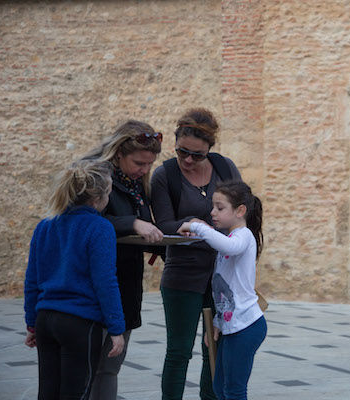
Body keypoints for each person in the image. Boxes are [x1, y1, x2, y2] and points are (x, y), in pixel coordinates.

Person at [150, 108, 241, 400]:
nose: (188, 160)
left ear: (210, 150)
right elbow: (163, 224)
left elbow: (243, 211)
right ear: (175, 143)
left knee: (214, 348)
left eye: (197, 155)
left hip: (223, 275)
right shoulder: (165, 175)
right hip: (182, 275)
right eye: (182, 152)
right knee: (178, 351)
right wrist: (188, 225)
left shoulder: (225, 168)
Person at [24, 159, 126, 400]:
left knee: (47, 392)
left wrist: (31, 322)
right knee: (76, 392)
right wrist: (116, 328)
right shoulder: (99, 227)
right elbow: (105, 281)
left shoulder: (45, 226)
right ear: (98, 198)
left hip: (46, 319)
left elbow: (32, 279)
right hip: (80, 323)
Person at [82, 120, 164, 400]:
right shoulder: (91, 175)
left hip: (126, 284)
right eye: (139, 163)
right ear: (119, 153)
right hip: (93, 285)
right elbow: (83, 221)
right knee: (85, 371)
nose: (144, 170)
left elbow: (143, 222)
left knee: (109, 369)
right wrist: (132, 223)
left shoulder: (134, 181)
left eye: (149, 165)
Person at [177, 181, 266, 400]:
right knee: (219, 388)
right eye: (213, 206)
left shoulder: (243, 236)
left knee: (234, 391)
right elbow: (226, 291)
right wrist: (218, 321)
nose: (212, 212)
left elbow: (229, 247)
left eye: (219, 207)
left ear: (240, 211)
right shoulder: (229, 238)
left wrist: (197, 226)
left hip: (246, 326)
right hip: (231, 325)